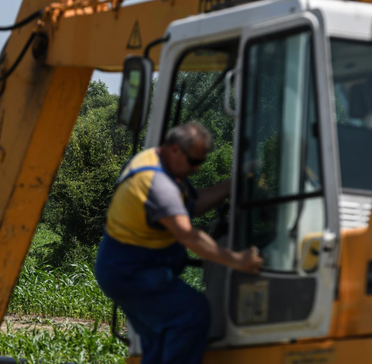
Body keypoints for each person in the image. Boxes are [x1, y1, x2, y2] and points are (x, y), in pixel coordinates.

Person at [95, 122, 263, 364]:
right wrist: (238, 260)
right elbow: (188, 235)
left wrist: (232, 184)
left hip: (124, 269)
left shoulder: (158, 162)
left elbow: (193, 203)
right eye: (194, 162)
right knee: (191, 313)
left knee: (158, 339)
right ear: (174, 149)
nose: (196, 169)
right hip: (131, 272)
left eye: (200, 163)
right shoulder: (157, 184)